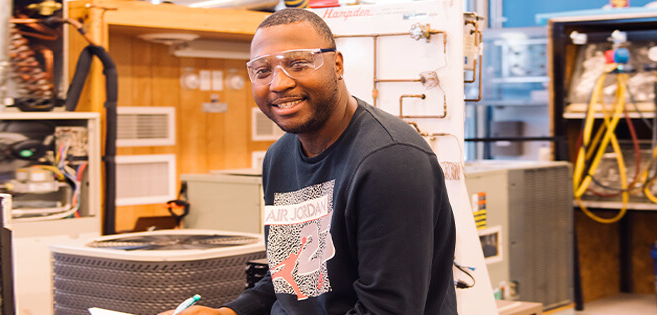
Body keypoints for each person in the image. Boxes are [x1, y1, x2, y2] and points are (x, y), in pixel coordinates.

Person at [159, 8, 457, 315]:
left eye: (298, 63)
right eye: (263, 71)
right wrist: (229, 312)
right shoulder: (280, 157)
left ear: (337, 65)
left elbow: (388, 309)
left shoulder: (390, 160)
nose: (279, 83)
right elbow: (292, 276)